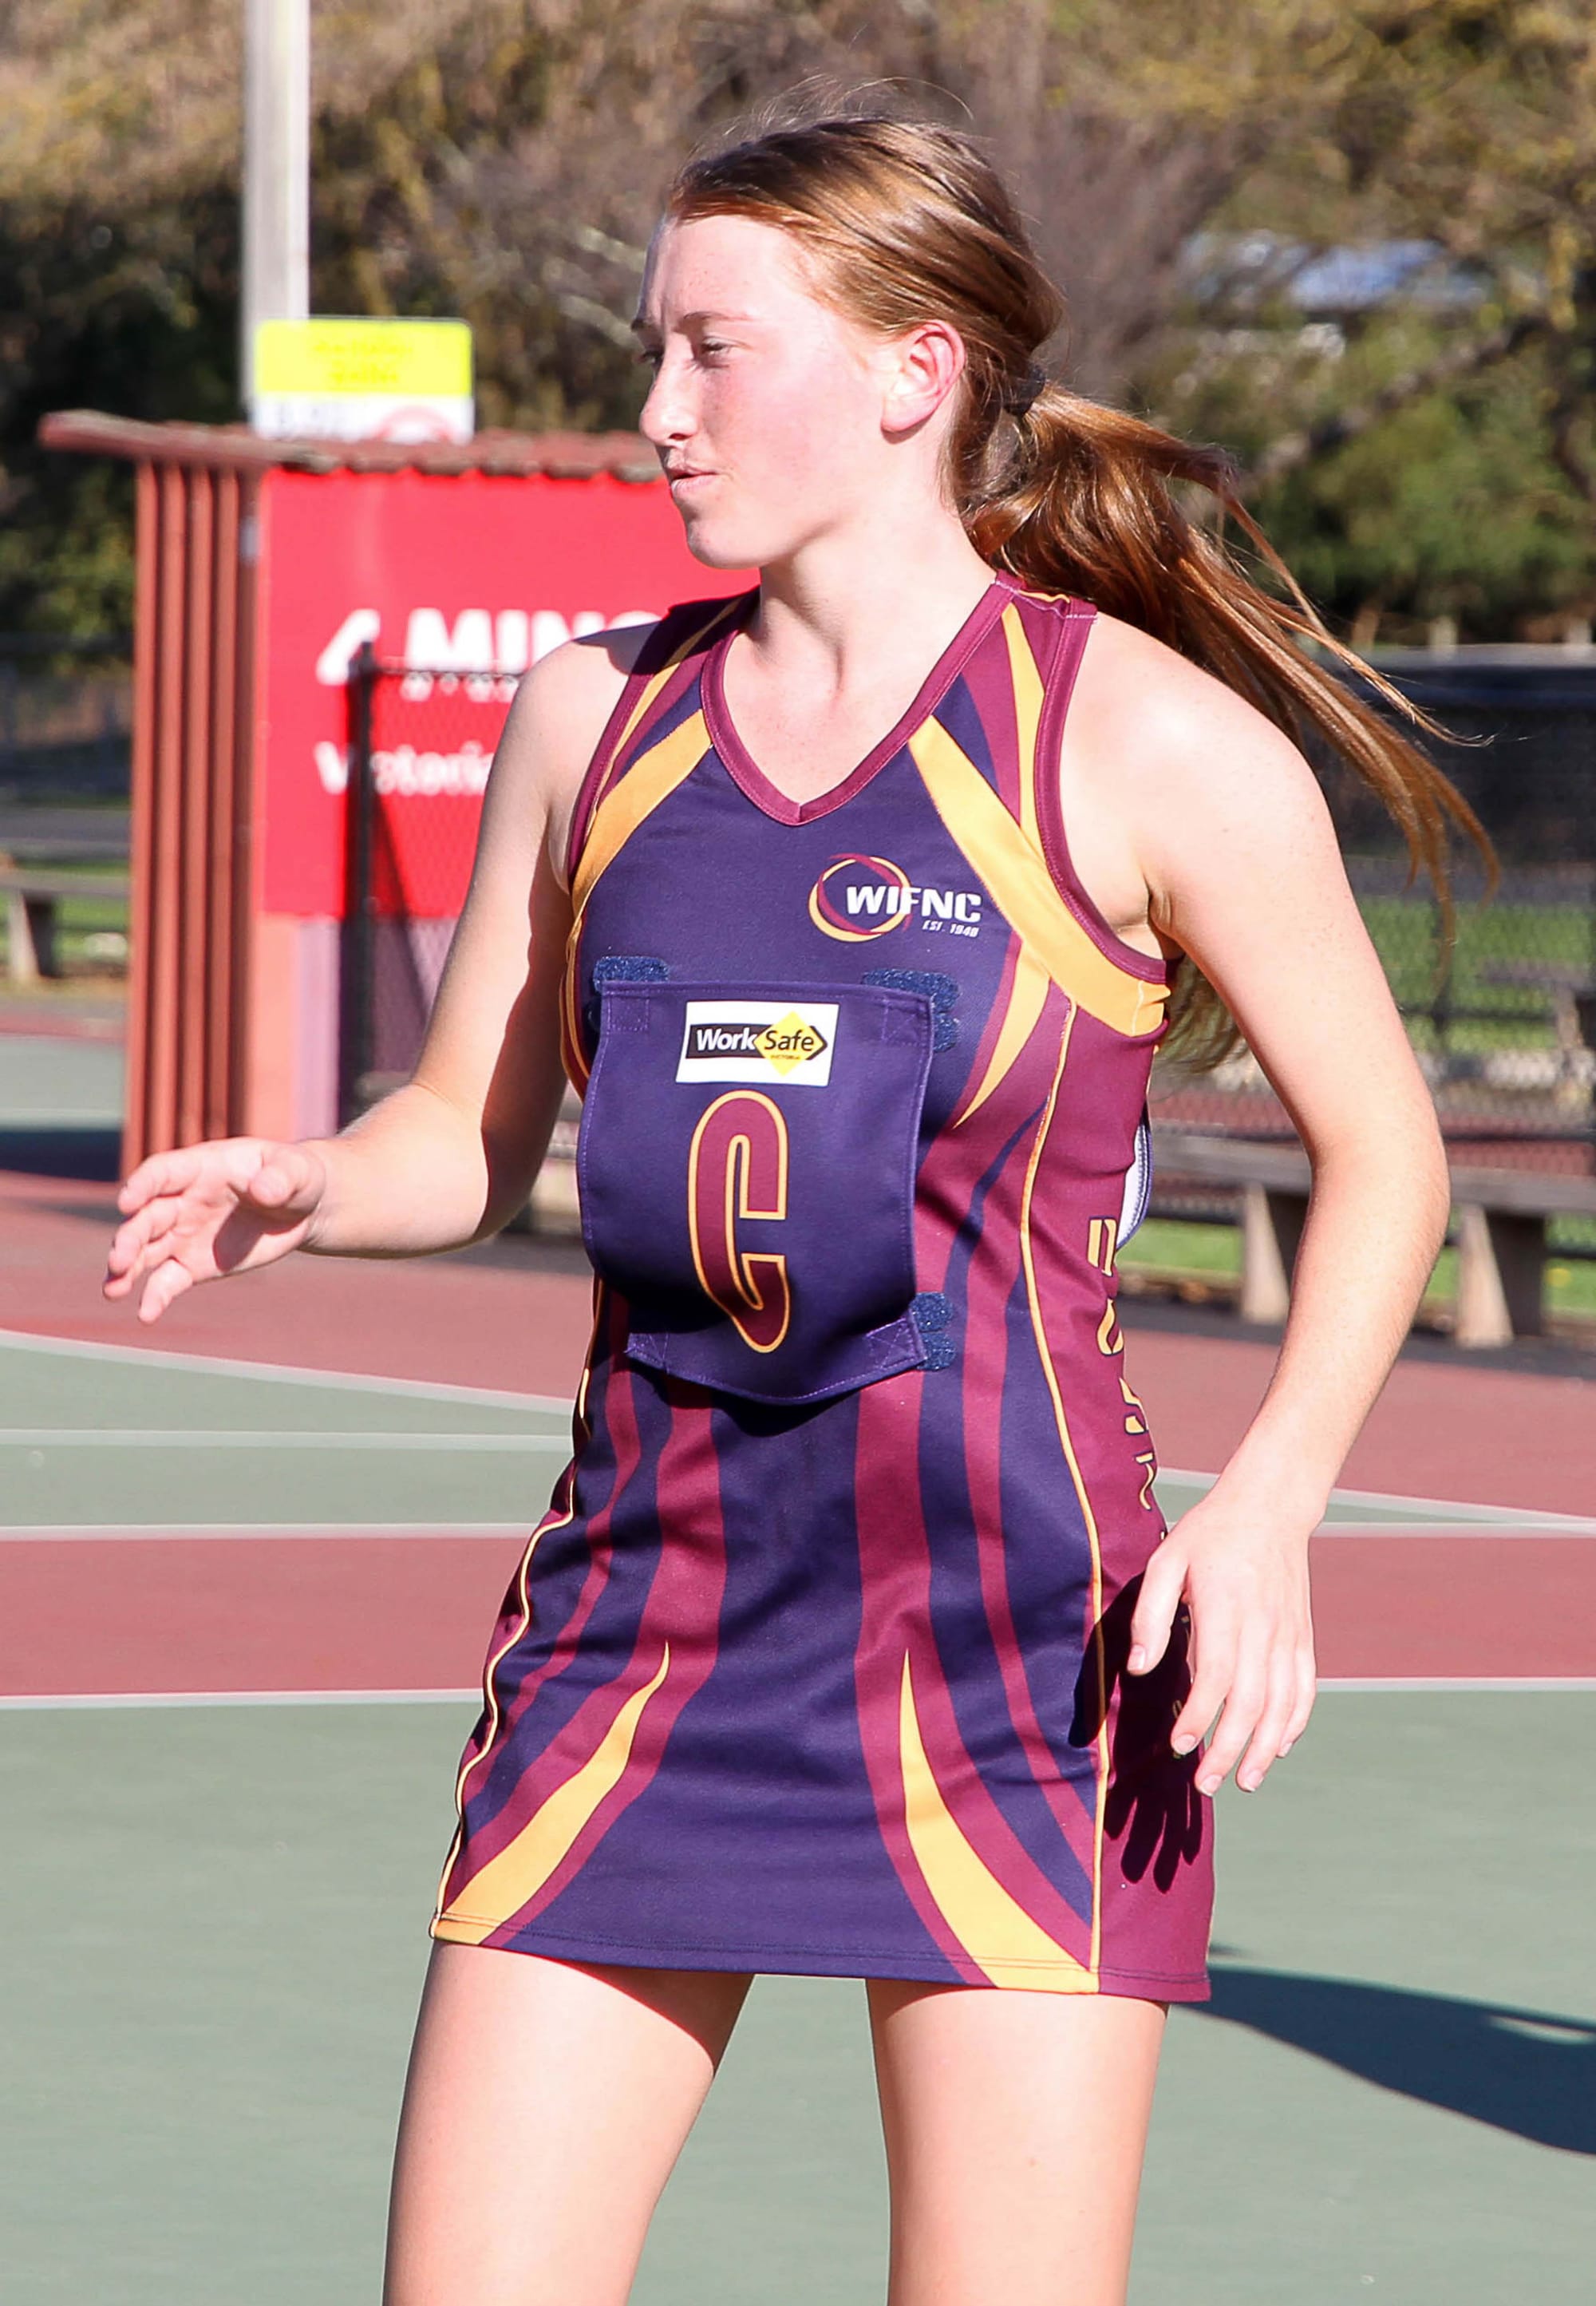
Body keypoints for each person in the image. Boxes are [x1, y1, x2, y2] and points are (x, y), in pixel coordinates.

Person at [105, 109, 1484, 2306]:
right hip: (637, 1654)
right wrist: (313, 1177)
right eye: (655, 350)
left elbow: (1388, 1149)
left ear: (915, 371)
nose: (657, 414)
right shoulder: (600, 720)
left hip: (1020, 1655)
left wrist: (1276, 1500)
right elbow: (464, 1128)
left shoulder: (1138, 743)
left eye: (711, 352)